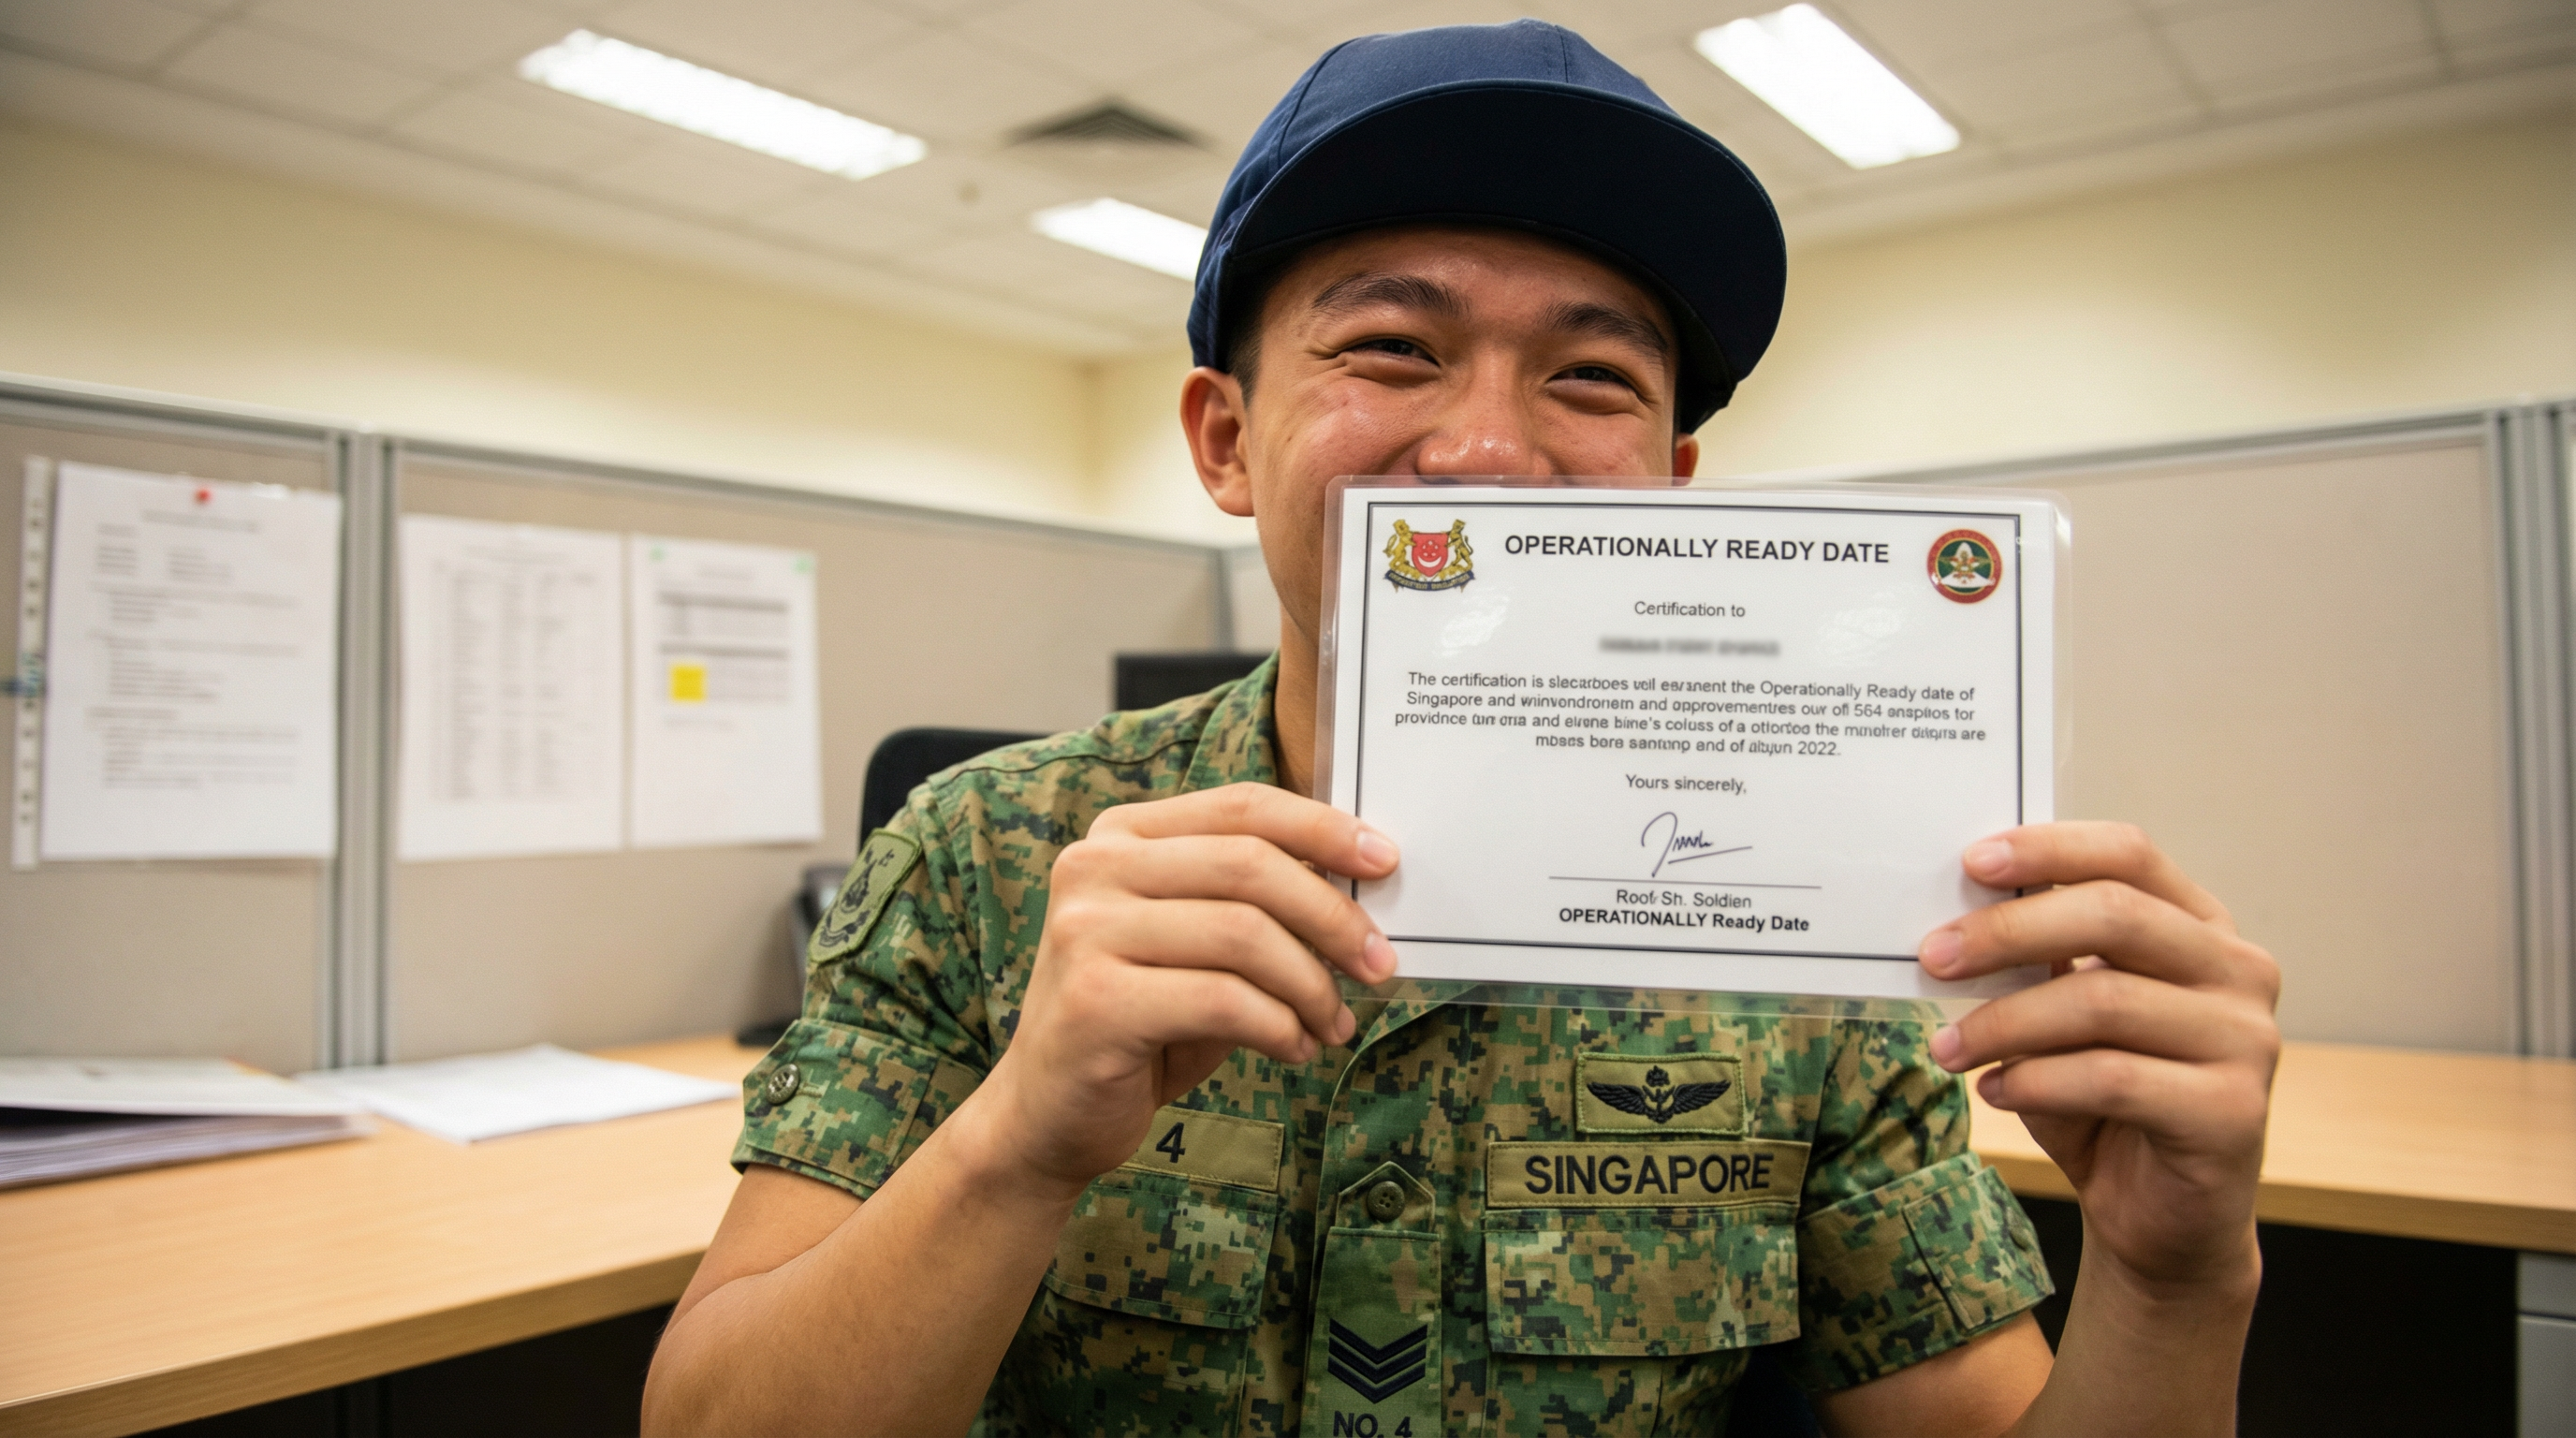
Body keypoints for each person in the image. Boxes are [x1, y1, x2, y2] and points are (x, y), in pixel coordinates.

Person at [642, 22, 2279, 1438]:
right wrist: (1013, 1147)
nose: (1489, 451)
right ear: (1225, 436)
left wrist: (2176, 1276)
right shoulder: (982, 860)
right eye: (1393, 350)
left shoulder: (1832, 928)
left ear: (1673, 487)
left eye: (1588, 380)